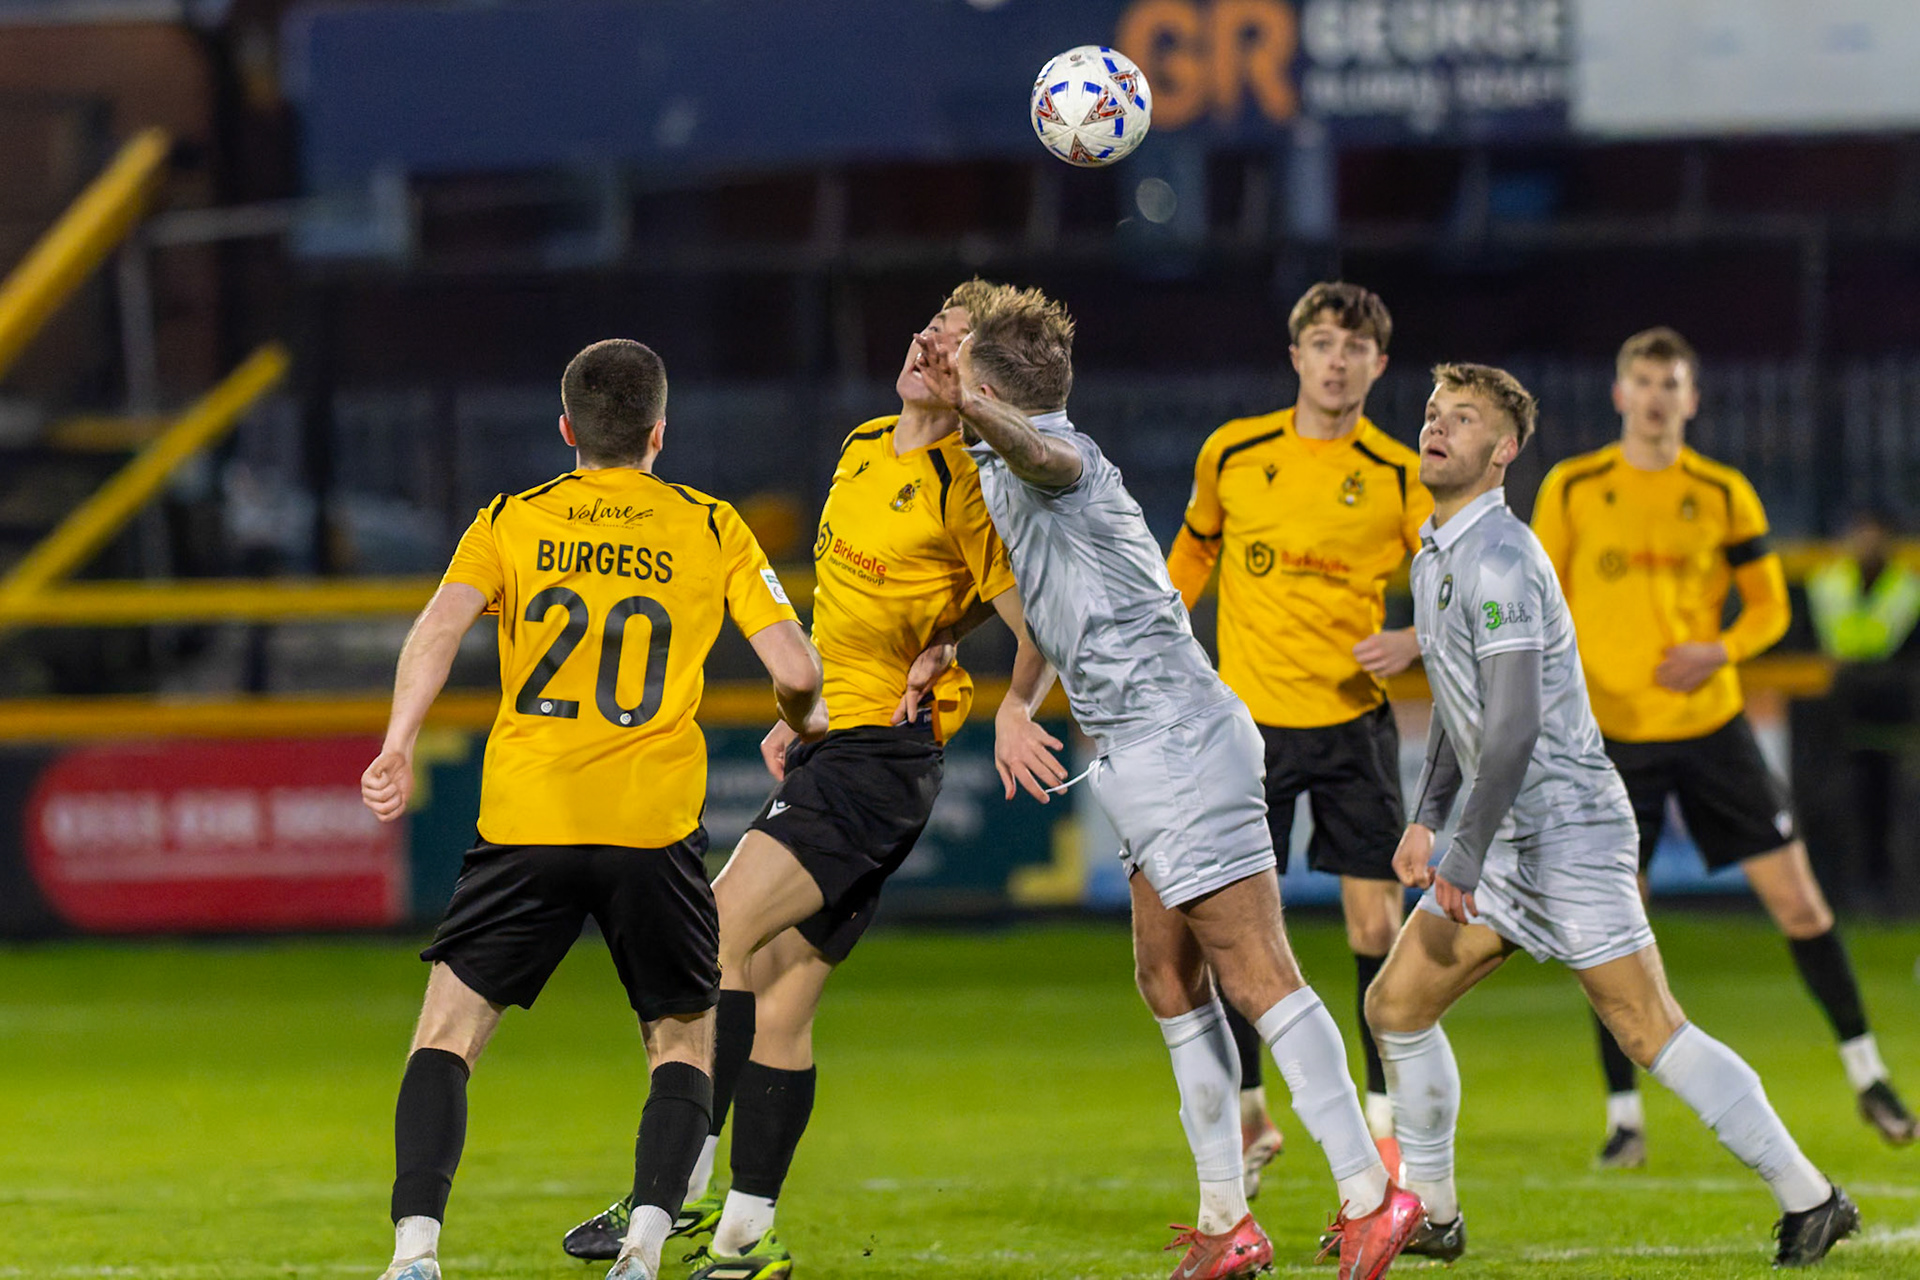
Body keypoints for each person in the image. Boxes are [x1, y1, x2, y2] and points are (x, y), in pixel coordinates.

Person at [916, 282, 1422, 1280]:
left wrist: (973, 408)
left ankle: (1372, 1191)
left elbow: (1047, 458)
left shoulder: (1061, 455)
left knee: (1257, 969)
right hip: (1139, 752)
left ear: (985, 384)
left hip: (1182, 739)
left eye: (956, 361)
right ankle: (1228, 1217)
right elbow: (1058, 598)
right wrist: (1016, 696)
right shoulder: (1000, 466)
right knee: (1164, 972)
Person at [560, 288, 1026, 1280]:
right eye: (929, 328)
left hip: (876, 761)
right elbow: (863, 609)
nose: (927, 345)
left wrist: (1006, 693)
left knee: (712, 936)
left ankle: (676, 1179)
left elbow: (1033, 613)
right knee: (780, 1000)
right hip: (835, 741)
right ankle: (744, 1232)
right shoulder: (863, 445)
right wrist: (821, 694)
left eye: (954, 345)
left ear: (981, 381)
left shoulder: (970, 484)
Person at [1364, 361, 1859, 1270]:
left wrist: (1461, 854)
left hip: (1567, 837)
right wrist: (1429, 819)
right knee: (1395, 1006)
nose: (1436, 426)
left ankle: (1813, 1197)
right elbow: (1457, 710)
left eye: (1462, 418)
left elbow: (1510, 730)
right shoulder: (1435, 550)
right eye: (1434, 412)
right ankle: (1433, 1215)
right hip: (1497, 839)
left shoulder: (1504, 556)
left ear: (1503, 451)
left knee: (1649, 1030)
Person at [360, 340, 825, 1280]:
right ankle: (646, 1249)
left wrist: (398, 743)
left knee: (446, 1036)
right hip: (649, 829)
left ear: (567, 428)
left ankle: (415, 1253)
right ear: (660, 431)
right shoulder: (709, 525)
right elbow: (798, 671)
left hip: (525, 819)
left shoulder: (512, 519)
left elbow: (440, 626)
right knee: (682, 1042)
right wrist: (798, 721)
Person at [1532, 328, 1916, 1164]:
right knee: (1611, 931)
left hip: (1710, 729)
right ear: (1620, 394)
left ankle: (1869, 1074)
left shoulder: (1720, 491)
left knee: (1802, 902)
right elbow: (1541, 605)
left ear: (1692, 399)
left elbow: (1771, 608)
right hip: (1611, 740)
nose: (1659, 395)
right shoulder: (1574, 487)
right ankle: (1625, 1118)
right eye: (1644, 380)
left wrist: (1723, 649)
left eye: (1673, 382)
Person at [1166, 282, 1429, 1190]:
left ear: (1378, 365)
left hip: (1353, 724)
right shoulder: (1234, 453)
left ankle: (1383, 1116)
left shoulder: (1400, 474)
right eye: (1321, 343)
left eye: (1354, 348)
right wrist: (1166, 644)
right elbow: (1194, 550)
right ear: (1296, 357)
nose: (1336, 360)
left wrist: (1417, 636)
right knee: (1233, 931)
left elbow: (1455, 582)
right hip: (1245, 731)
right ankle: (1250, 1113)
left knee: (1374, 920)